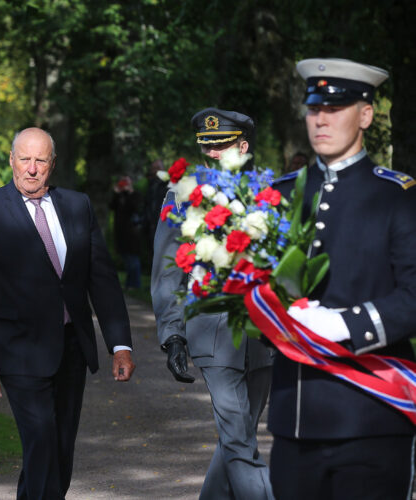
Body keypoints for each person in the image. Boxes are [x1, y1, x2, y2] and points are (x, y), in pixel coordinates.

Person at [0, 127, 135, 500]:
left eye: (41, 160)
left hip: (71, 347)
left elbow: (101, 280)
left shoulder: (77, 205)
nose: (32, 169)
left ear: (52, 164)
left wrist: (120, 344)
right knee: (40, 441)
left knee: (60, 449)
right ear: (11, 160)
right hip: (17, 350)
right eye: (25, 159)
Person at [269, 58, 416, 499]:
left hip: (373, 417)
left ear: (366, 115)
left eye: (335, 108)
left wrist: (346, 326)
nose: (321, 119)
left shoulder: (398, 196)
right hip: (295, 418)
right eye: (314, 108)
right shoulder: (276, 196)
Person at [151, 108, 275, 499]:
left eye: (222, 146)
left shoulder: (268, 194)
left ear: (243, 145)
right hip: (213, 331)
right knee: (239, 440)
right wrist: (172, 334)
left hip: (263, 334)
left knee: (238, 437)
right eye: (208, 148)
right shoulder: (183, 195)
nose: (214, 155)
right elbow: (167, 269)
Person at [109, 175, 143, 290]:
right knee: (127, 259)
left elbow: (134, 208)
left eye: (126, 182)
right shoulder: (120, 196)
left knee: (133, 259)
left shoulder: (135, 195)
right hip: (121, 233)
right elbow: (112, 206)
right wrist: (116, 193)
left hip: (132, 233)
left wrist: (129, 193)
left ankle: (135, 284)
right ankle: (130, 284)